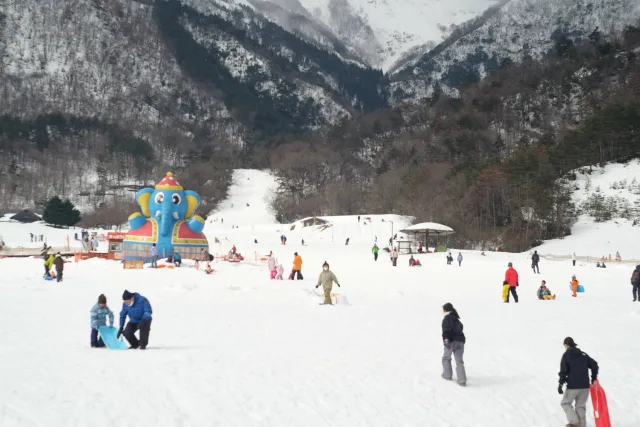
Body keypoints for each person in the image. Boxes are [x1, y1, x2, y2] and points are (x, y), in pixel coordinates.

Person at [558, 337, 599, 427]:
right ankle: (582, 425)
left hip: (573, 386)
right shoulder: (583, 355)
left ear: (566, 345)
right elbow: (594, 365)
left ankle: (574, 423)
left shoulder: (566, 355)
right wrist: (593, 378)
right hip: (585, 386)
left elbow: (563, 371)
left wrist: (560, 384)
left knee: (565, 403)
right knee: (580, 406)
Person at [441, 302, 466, 386]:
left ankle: (447, 375)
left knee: (446, 358)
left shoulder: (447, 319)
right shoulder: (457, 319)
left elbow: (446, 331)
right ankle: (462, 380)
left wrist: (446, 341)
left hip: (451, 342)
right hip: (460, 342)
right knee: (459, 361)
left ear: (445, 310)